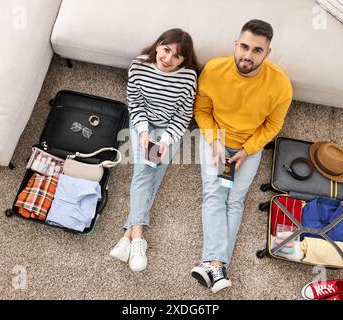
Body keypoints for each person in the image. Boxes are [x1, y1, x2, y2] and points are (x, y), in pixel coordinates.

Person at [191, 19, 293, 293]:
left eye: (257, 50)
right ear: (236, 44)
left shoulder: (281, 85)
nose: (247, 56)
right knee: (214, 194)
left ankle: (211, 264)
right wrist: (214, 141)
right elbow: (201, 110)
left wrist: (247, 151)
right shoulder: (213, 70)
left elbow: (272, 126)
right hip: (218, 139)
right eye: (244, 47)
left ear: (267, 53)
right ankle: (218, 266)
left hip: (249, 146)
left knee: (234, 200)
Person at [109, 28, 199, 272]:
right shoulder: (138, 66)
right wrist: (144, 133)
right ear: (158, 45)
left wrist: (165, 141)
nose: (168, 58)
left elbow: (183, 115)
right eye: (166, 49)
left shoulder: (188, 78)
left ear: (184, 60)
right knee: (143, 171)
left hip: (170, 130)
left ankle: (128, 235)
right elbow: (135, 102)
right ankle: (139, 238)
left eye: (177, 56)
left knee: (154, 173)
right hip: (144, 125)